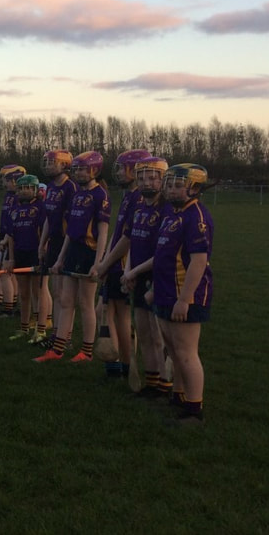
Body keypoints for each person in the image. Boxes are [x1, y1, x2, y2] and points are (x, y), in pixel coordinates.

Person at [151, 164, 213, 427]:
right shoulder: (173, 214)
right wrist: (154, 289)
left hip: (184, 294)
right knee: (173, 350)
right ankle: (178, 395)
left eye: (178, 185)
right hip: (165, 290)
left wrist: (185, 299)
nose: (171, 190)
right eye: (169, 184)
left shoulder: (196, 217)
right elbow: (163, 256)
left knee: (186, 353)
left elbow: (198, 262)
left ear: (194, 188)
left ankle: (194, 409)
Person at [35, 151, 109, 363]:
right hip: (72, 251)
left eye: (83, 169)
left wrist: (98, 263)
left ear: (95, 170)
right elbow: (70, 231)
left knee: (85, 303)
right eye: (76, 169)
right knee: (67, 300)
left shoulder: (100, 195)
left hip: (89, 252)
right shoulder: (78, 195)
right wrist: (60, 258)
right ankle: (57, 349)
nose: (78, 173)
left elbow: (103, 232)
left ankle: (86, 351)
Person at [93, 149, 150, 378]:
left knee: (120, 316)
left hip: (123, 264)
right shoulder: (129, 196)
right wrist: (105, 261)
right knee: (110, 312)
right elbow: (118, 234)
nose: (116, 172)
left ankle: (122, 364)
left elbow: (127, 239)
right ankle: (118, 363)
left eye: (121, 168)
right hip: (114, 263)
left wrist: (107, 263)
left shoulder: (137, 198)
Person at [119, 157, 171, 399]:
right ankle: (151, 382)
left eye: (152, 178)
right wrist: (127, 270)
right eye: (141, 178)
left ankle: (165, 384)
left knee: (158, 334)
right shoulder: (139, 208)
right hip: (137, 276)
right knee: (144, 332)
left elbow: (162, 253)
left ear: (163, 180)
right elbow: (132, 241)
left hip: (158, 278)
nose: (146, 183)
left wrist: (134, 272)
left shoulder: (167, 210)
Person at [36, 150, 77, 346]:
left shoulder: (70, 187)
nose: (47, 166)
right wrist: (42, 243)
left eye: (51, 162)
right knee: (56, 291)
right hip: (53, 241)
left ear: (64, 164)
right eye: (46, 162)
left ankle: (64, 337)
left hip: (66, 242)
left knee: (64, 294)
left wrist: (63, 251)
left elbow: (71, 222)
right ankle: (57, 335)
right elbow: (48, 218)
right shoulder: (51, 187)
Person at [3, 174, 45, 342]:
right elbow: (11, 237)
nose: (24, 191)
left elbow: (43, 233)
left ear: (35, 189)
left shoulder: (40, 208)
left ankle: (40, 329)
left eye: (28, 188)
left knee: (37, 293)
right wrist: (11, 259)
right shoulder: (14, 210)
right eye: (21, 188)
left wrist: (42, 254)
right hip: (20, 254)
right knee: (24, 293)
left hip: (35, 253)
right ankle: (24, 327)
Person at [0, 164, 26, 318]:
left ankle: (8, 308)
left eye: (6, 179)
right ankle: (11, 301)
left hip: (10, 237)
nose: (4, 182)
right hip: (4, 235)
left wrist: (6, 239)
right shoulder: (8, 195)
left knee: (5, 273)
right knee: (2, 270)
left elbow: (14, 222)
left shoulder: (18, 198)